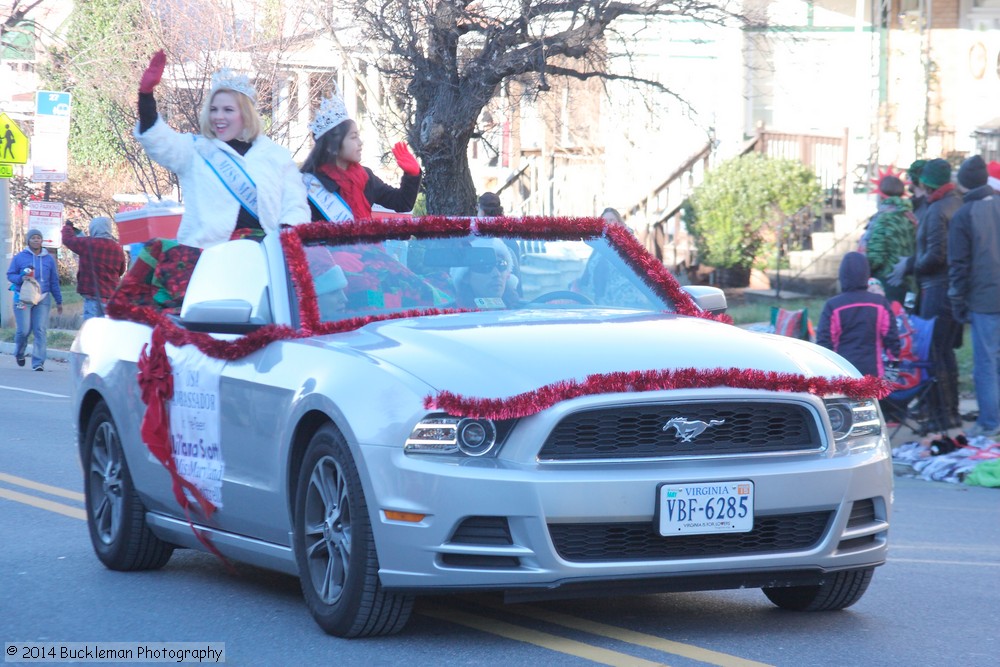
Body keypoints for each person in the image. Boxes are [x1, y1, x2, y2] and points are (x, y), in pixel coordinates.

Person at [135, 50, 308, 248]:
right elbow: (159, 141)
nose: (218, 116)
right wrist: (146, 97)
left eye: (228, 110)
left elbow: (295, 205)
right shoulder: (195, 150)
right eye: (213, 109)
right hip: (206, 257)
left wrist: (286, 235)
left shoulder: (277, 156)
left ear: (246, 114)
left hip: (265, 257)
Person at [888, 157, 963, 430]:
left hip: (935, 289)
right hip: (951, 289)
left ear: (926, 184)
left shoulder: (936, 210)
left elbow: (935, 255)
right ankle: (949, 413)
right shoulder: (956, 203)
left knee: (934, 352)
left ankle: (940, 416)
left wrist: (911, 265)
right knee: (945, 352)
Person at [300, 92, 421, 222]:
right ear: (333, 145)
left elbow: (401, 203)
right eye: (353, 137)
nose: (360, 142)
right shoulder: (310, 184)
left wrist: (412, 175)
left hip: (366, 242)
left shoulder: (365, 176)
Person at [948, 155, 1000, 438]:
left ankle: (990, 423)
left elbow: (959, 265)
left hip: (984, 299)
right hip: (989, 295)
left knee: (986, 363)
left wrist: (957, 302)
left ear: (964, 183)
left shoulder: (964, 215)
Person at [816, 252, 900, 378]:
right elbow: (892, 339)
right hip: (873, 375)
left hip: (841, 374)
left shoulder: (833, 306)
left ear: (842, 276)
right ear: (866, 275)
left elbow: (824, 343)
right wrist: (892, 366)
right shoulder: (880, 303)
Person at [6, 229, 63, 371]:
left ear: (41, 241)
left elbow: (54, 281)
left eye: (39, 238)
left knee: (40, 330)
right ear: (28, 240)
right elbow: (10, 275)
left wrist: (59, 300)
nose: (36, 240)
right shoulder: (20, 257)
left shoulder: (48, 259)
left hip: (42, 298)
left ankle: (38, 362)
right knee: (24, 330)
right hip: (23, 298)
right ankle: (20, 352)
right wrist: (21, 278)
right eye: (33, 238)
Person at [862, 175, 917, 305]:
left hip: (888, 283)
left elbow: (876, 256)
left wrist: (864, 269)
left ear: (880, 195)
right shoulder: (911, 216)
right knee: (907, 319)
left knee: (890, 321)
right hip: (910, 283)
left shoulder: (884, 218)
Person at [61, 217, 127, 320]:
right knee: (106, 329)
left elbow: (68, 240)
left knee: (91, 329)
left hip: (92, 293)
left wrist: (68, 227)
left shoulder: (87, 243)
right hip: (110, 295)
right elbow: (121, 270)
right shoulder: (117, 248)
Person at [451, 238, 519, 308]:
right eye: (485, 266)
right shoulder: (448, 314)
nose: (497, 274)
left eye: (501, 265)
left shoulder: (523, 311)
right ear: (466, 277)